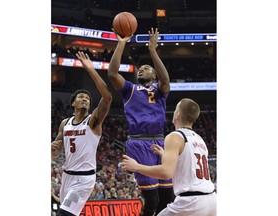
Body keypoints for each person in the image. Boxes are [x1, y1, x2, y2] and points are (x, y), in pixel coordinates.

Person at [108, 27, 174, 216]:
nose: (141, 70)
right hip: (139, 141)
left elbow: (166, 79)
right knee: (151, 199)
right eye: (140, 69)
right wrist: (121, 43)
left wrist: (153, 51)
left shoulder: (160, 89)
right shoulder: (130, 89)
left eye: (146, 69)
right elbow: (112, 74)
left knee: (167, 197)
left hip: (161, 141)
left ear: (153, 75)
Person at [121, 98, 217, 216]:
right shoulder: (199, 139)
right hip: (212, 200)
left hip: (191, 202)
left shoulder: (174, 136)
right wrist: (164, 155)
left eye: (176, 108)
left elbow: (166, 173)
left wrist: (136, 167)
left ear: (178, 115)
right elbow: (188, 163)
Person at [51, 51, 112, 216]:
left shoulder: (92, 122)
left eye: (88, 98)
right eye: (81, 97)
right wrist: (51, 149)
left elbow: (107, 98)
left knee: (64, 214)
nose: (85, 99)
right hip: (67, 177)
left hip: (83, 180)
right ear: (73, 103)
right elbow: (55, 153)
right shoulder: (65, 123)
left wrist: (91, 70)